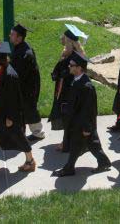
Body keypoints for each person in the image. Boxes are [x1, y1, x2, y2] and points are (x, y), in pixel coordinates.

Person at [52, 52, 112, 177]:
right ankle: (104, 162)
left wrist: (87, 128)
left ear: (79, 68)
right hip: (76, 121)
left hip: (82, 123)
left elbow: (88, 110)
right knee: (90, 144)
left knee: (81, 144)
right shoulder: (76, 80)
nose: (69, 66)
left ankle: (69, 168)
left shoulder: (86, 86)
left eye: (72, 65)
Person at [0, 41, 35, 179]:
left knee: (19, 137)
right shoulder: (3, 70)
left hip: (9, 116)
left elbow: (13, 100)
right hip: (1, 114)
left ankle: (30, 161)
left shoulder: (9, 75)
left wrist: (10, 118)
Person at [49, 24, 88, 153]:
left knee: (69, 117)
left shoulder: (75, 58)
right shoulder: (70, 54)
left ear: (69, 41)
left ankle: (68, 143)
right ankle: (71, 141)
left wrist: (60, 67)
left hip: (70, 91)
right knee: (68, 117)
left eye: (64, 37)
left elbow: (65, 74)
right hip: (65, 89)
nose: (62, 38)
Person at [9, 23, 45, 142]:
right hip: (25, 86)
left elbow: (18, 73)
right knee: (25, 110)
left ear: (19, 38)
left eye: (13, 34)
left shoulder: (25, 53)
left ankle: (38, 133)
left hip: (28, 88)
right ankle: (21, 132)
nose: (10, 36)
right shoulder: (21, 47)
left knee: (30, 110)